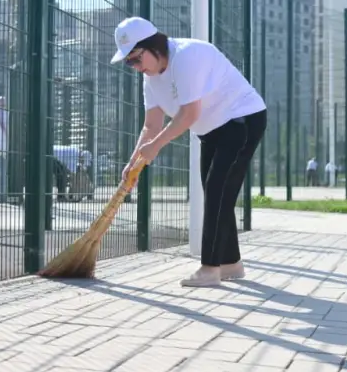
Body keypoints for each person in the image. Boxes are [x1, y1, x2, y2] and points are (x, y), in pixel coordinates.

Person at [111, 16, 267, 287]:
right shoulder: (150, 81)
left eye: (135, 59)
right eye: (129, 63)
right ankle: (232, 264)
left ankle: (210, 268)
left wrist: (156, 146)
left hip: (241, 119)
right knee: (216, 192)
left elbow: (189, 113)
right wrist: (133, 163)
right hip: (212, 130)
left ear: (153, 46)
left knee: (218, 188)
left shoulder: (187, 56)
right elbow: (151, 125)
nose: (135, 67)